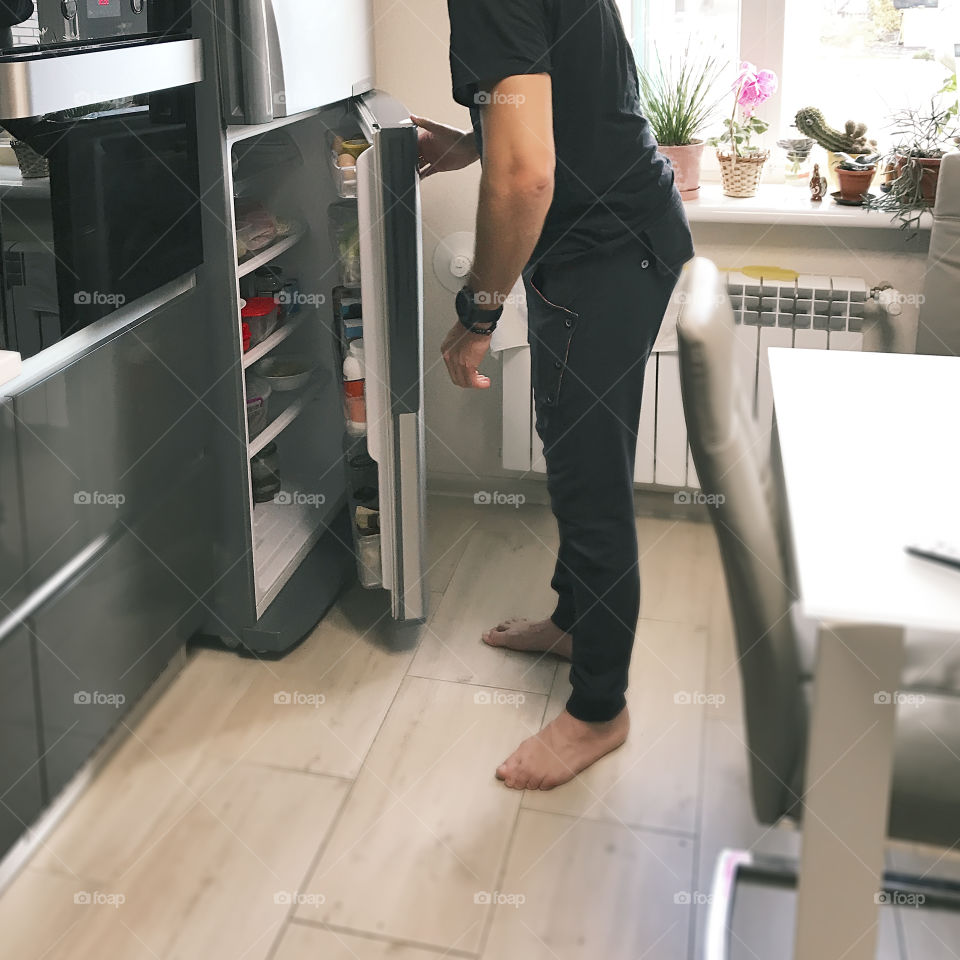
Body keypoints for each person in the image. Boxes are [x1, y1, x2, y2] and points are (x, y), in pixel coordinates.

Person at [413, 0, 694, 791]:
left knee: (586, 475)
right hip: (623, 235)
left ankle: (599, 713)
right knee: (574, 447)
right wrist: (475, 141)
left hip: (604, 253)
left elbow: (527, 175)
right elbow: (565, 100)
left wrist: (477, 314)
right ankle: (576, 622)